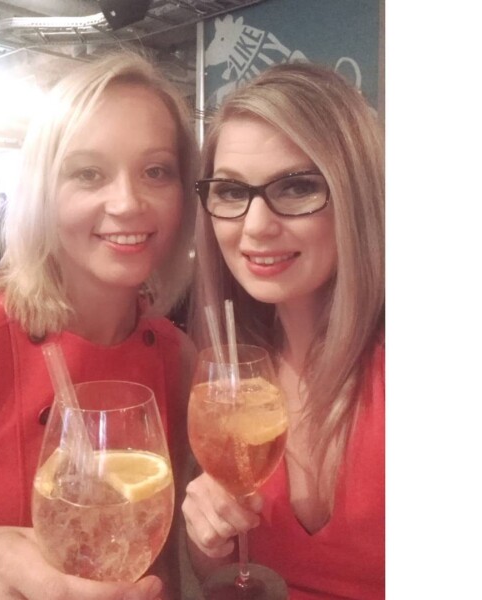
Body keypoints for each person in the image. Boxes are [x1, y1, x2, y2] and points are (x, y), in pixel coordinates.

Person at [0, 49, 199, 600]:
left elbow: (159, 562)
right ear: (43, 190)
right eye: (88, 173)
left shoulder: (176, 357)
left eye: (156, 171)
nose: (127, 202)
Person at [181, 62, 384, 599]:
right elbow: (227, 574)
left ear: (357, 195)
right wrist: (211, 534)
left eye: (296, 187)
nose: (255, 226)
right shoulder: (230, 379)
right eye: (231, 191)